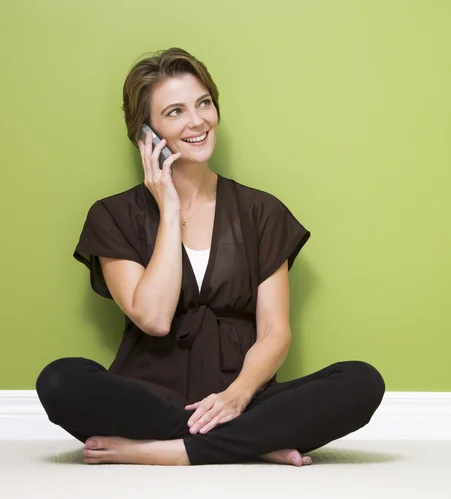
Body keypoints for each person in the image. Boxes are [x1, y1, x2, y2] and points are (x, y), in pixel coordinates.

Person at [35, 47, 385, 466]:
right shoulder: (112, 215)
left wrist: (236, 397)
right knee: (59, 380)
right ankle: (252, 444)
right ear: (145, 134)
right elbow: (154, 318)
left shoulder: (261, 212)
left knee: (362, 382)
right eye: (175, 112)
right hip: (148, 399)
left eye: (204, 103)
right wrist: (167, 208)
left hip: (242, 398)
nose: (197, 121)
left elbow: (274, 331)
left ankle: (171, 452)